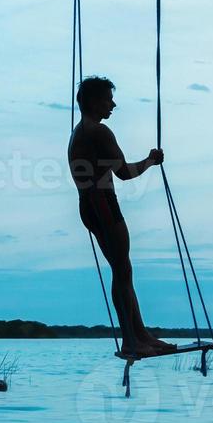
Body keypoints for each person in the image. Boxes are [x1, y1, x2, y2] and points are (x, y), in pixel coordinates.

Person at [68, 76, 174, 357]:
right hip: (103, 203)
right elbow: (124, 173)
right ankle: (131, 340)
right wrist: (151, 161)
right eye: (107, 99)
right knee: (123, 272)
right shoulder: (99, 132)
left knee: (122, 270)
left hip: (89, 206)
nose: (112, 104)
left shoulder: (79, 132)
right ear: (93, 102)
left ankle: (141, 335)